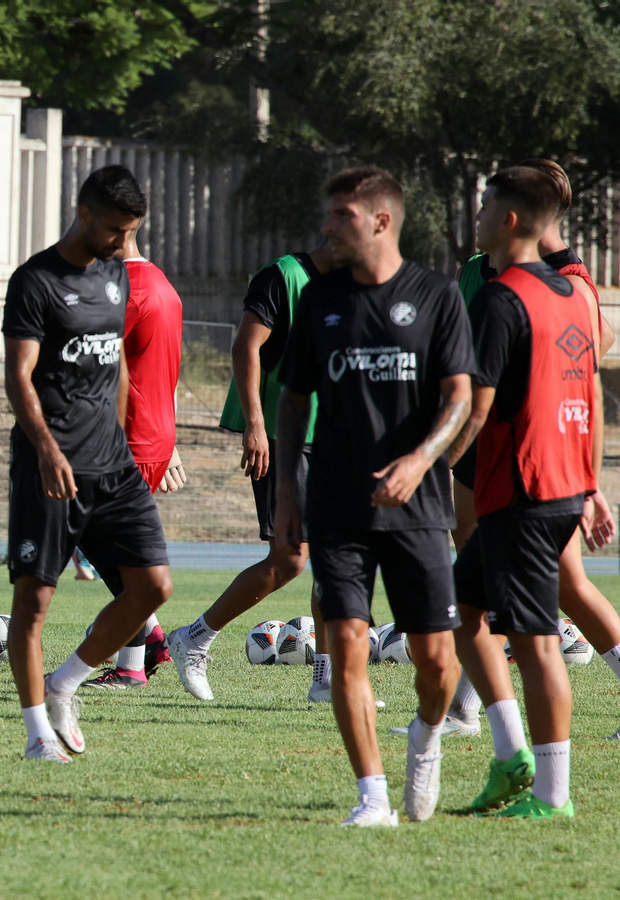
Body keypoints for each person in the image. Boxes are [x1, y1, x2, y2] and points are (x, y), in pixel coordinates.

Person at [275, 166, 474, 826]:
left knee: (436, 661)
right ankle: (373, 796)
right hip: (336, 504)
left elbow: (460, 397)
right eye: (328, 215)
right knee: (348, 642)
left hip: (419, 509)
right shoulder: (320, 299)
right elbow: (295, 396)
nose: (327, 227)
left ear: (381, 221)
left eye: (341, 216)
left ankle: (425, 734)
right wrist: (286, 495)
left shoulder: (438, 294)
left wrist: (421, 461)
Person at [434, 158, 620, 741]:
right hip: (495, 450)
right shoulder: (483, 270)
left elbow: (590, 355)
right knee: (476, 581)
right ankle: (474, 709)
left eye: (489, 203)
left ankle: (533, 764)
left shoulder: (565, 281)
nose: (479, 212)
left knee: (553, 598)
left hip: (526, 457)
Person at [2, 165, 175, 763]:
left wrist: (125, 440)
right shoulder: (35, 281)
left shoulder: (115, 277)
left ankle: (65, 684)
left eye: (130, 232)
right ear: (84, 215)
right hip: (50, 468)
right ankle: (35, 737)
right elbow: (17, 378)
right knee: (34, 603)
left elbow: (119, 367)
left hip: (113, 466)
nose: (122, 243)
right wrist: (48, 451)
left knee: (153, 586)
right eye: (114, 230)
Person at [169, 241, 337, 703]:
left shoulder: (356, 285)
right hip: (286, 435)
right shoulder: (282, 275)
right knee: (290, 560)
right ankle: (194, 637)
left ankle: (326, 680)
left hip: (334, 438)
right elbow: (247, 344)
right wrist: (256, 424)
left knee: (332, 560)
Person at [78, 225, 184, 689]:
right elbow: (162, 367)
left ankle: (130, 666)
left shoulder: (123, 290)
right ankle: (153, 637)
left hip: (124, 439)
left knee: (116, 553)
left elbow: (95, 365)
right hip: (152, 435)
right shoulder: (163, 285)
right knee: (103, 545)